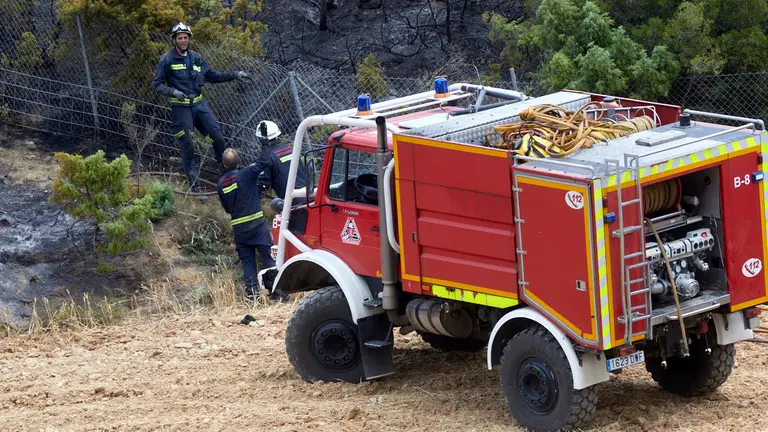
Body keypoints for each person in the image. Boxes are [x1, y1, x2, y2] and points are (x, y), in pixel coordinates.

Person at [152, 22, 252, 192]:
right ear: (174, 40)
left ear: (189, 39)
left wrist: (235, 75)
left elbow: (212, 76)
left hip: (199, 104)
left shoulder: (196, 57)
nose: (183, 40)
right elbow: (157, 85)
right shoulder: (166, 60)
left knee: (218, 137)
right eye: (180, 38)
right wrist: (173, 91)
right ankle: (195, 187)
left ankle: (229, 179)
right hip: (181, 108)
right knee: (188, 145)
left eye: (185, 38)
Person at [216, 147, 290, 302]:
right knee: (268, 259)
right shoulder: (245, 174)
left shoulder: (220, 184)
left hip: (239, 229)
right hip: (256, 225)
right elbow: (263, 162)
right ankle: (277, 293)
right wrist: (264, 143)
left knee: (248, 262)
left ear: (223, 164)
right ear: (239, 161)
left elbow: (228, 208)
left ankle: (253, 296)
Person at [255, 120, 309, 202]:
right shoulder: (290, 149)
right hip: (307, 194)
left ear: (261, 139)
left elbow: (264, 182)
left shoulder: (267, 156)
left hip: (291, 201)